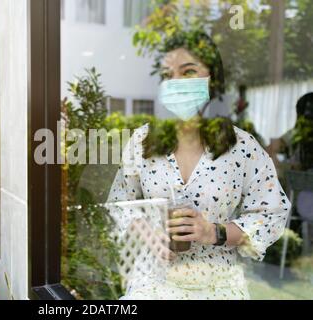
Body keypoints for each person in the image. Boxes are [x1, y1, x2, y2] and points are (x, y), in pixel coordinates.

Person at [107, 30, 291, 300]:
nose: (176, 82)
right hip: (152, 284)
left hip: (218, 287)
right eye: (168, 75)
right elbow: (121, 202)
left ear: (212, 79)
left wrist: (214, 232)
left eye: (188, 71)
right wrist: (149, 234)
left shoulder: (242, 147)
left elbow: (271, 214)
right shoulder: (141, 141)